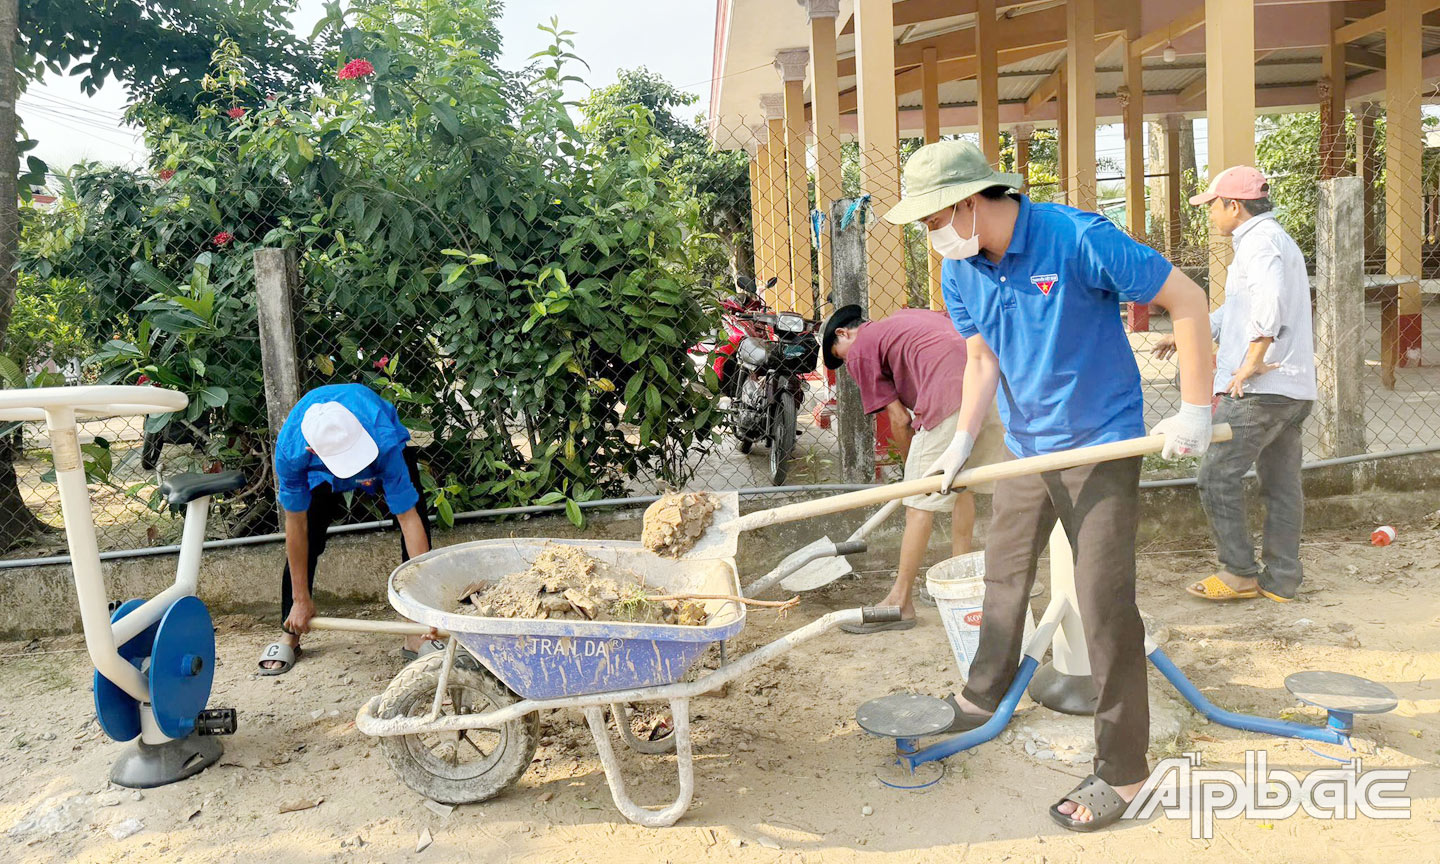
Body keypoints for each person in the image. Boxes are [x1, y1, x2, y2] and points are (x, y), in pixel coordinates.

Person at [882, 140, 1215, 831]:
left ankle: (1124, 771)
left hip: (1101, 442)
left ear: (970, 203)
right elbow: (981, 359)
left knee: (1103, 603)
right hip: (1026, 448)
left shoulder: (1077, 237)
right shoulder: (962, 269)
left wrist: (1196, 409)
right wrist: (963, 445)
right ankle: (982, 699)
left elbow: (1187, 297)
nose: (929, 235)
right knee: (1003, 577)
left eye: (931, 219)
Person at [1154, 166, 1316, 603]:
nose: (1210, 216)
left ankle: (1240, 571)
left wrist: (1252, 360)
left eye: (1213, 206)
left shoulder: (1258, 243)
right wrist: (1190, 331)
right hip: (1293, 389)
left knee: (1216, 474)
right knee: (1281, 485)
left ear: (1234, 206)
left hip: (1259, 390)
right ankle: (1281, 579)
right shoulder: (1273, 239)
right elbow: (1238, 309)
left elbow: (1268, 303)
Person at [820, 305, 1007, 633]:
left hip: (948, 396)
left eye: (842, 357)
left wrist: (914, 478)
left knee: (918, 506)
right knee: (963, 485)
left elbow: (900, 419)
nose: (849, 364)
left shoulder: (862, 348)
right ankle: (961, 578)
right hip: (989, 389)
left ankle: (900, 602)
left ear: (844, 333)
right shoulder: (908, 318)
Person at [257, 383, 439, 674]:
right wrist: (301, 599)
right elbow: (296, 528)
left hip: (376, 448)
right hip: (319, 469)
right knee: (310, 535)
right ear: (312, 449)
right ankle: (290, 630)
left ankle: (416, 633)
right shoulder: (292, 451)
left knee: (415, 514)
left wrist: (424, 610)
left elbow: (408, 520)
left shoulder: (381, 435)